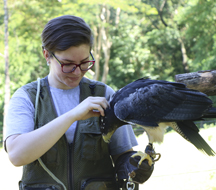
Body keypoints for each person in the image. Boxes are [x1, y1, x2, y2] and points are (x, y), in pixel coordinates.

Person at [4, 15, 154, 190]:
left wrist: (132, 166)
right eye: (68, 64)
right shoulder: (27, 97)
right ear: (47, 55)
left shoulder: (105, 94)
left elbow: (122, 153)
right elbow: (17, 155)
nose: (77, 72)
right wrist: (73, 115)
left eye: (84, 63)